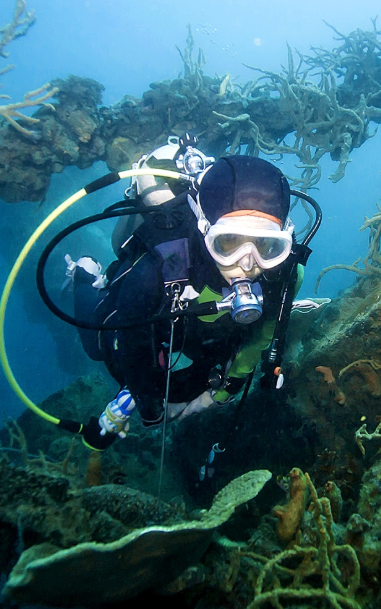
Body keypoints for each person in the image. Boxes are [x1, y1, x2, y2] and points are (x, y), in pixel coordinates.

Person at [67, 151, 307, 451]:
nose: (248, 264)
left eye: (268, 247)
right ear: (205, 229)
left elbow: (262, 335)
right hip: (160, 311)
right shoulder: (161, 265)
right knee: (98, 345)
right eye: (229, 242)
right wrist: (147, 404)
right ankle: (85, 274)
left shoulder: (285, 276)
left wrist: (222, 391)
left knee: (207, 355)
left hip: (208, 329)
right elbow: (132, 342)